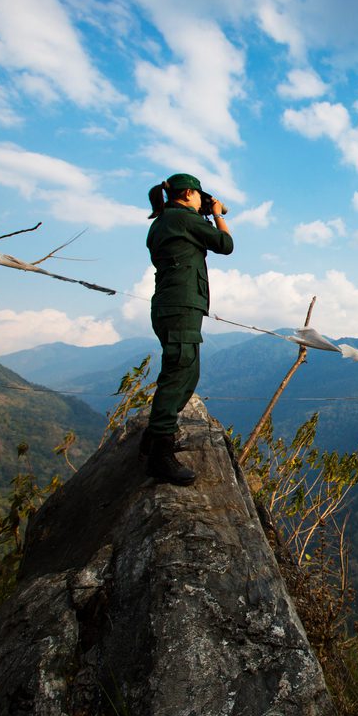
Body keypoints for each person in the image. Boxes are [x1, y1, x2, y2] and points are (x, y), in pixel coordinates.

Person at [140, 173, 233, 485]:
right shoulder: (181, 218)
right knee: (179, 371)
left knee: (186, 372)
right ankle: (159, 455)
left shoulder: (165, 221)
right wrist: (217, 214)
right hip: (180, 305)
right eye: (200, 196)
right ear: (190, 193)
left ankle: (155, 437)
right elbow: (225, 244)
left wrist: (203, 212)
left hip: (174, 305)